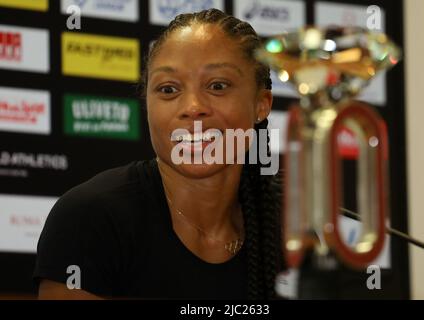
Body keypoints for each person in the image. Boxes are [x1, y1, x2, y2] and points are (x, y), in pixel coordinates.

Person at [33, 8, 283, 300]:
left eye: (217, 86)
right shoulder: (89, 218)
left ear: (261, 104)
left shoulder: (290, 225)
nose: (192, 106)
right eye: (168, 89)